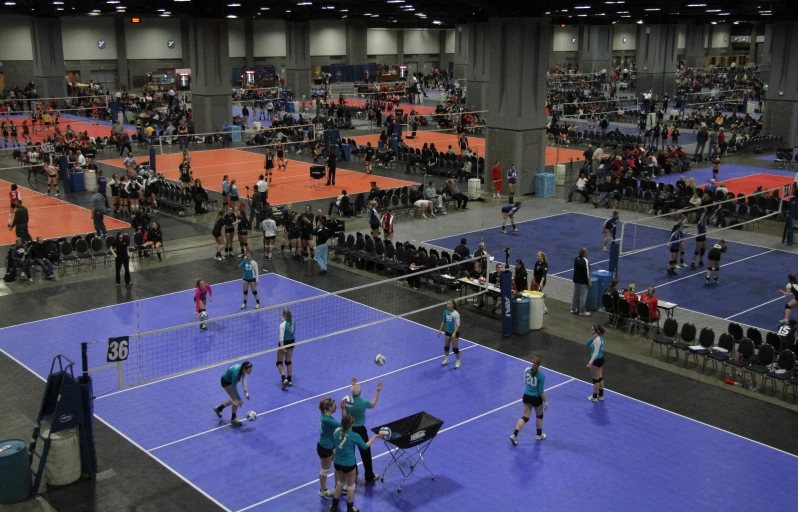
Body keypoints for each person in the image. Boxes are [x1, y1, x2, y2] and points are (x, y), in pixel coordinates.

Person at [330, 415, 384, 512]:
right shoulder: (354, 436)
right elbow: (365, 446)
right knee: (351, 486)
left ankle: (333, 507)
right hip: (349, 464)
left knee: (340, 483)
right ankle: (350, 508)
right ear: (352, 424)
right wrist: (375, 436)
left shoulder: (337, 432)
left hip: (337, 462)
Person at [342, 378, 383, 484]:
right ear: (360, 393)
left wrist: (353, 385)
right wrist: (377, 391)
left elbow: (345, 414)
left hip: (350, 429)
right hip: (361, 430)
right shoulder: (363, 402)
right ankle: (369, 475)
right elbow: (373, 404)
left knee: (351, 451)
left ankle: (353, 472)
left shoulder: (347, 402)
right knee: (365, 453)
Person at [510, 355, 549, 445]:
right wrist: (546, 401)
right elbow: (540, 392)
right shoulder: (541, 376)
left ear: (532, 362)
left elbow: (525, 382)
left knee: (525, 417)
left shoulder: (526, 370)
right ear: (540, 364)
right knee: (539, 415)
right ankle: (539, 434)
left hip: (526, 396)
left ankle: (514, 435)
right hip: (536, 398)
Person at [213, 361, 253, 426]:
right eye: (249, 370)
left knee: (234, 399)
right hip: (226, 382)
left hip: (231, 381)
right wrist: (239, 399)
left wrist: (246, 392)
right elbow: (234, 388)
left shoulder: (243, 369)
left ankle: (219, 409)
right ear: (244, 369)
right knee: (236, 400)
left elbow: (244, 380)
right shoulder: (236, 374)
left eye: (251, 369)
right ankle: (233, 418)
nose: (251, 371)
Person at [316, 398, 340, 500]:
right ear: (329, 408)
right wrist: (345, 410)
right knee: (325, 470)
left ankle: (338, 487)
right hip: (325, 447)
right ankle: (323, 490)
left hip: (331, 444)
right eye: (334, 405)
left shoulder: (326, 416)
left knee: (339, 465)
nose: (336, 407)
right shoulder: (327, 420)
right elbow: (344, 425)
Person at [437, 299, 462, 368]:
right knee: (446, 347)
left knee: (455, 349)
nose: (448, 305)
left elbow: (458, 325)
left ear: (453, 305)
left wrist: (454, 333)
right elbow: (443, 321)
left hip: (454, 333)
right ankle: (446, 360)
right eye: (447, 303)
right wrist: (440, 330)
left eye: (450, 304)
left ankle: (458, 362)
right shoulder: (445, 312)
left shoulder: (456, 314)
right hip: (447, 332)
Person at [277, 308, 296, 390]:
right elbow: (288, 326)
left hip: (284, 343)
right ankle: (290, 379)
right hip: (291, 342)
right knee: (288, 361)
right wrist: (284, 321)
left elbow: (281, 338)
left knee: (279, 362)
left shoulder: (282, 325)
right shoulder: (293, 322)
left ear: (284, 315)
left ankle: (284, 379)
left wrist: (282, 347)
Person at [586, 325, 606, 403]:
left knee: (595, 379)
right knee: (600, 377)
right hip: (601, 359)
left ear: (596, 332)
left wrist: (590, 363)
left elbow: (595, 353)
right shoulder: (599, 338)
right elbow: (587, 344)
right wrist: (592, 338)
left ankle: (594, 397)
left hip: (596, 360)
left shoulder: (597, 340)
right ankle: (601, 395)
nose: (591, 331)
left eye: (592, 330)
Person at [571, 248, 591, 316]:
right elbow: (587, 272)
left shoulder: (576, 259)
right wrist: (589, 281)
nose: (587, 253)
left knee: (576, 295)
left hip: (576, 280)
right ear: (584, 253)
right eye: (586, 252)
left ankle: (573, 309)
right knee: (583, 296)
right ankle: (582, 311)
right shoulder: (585, 261)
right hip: (582, 282)